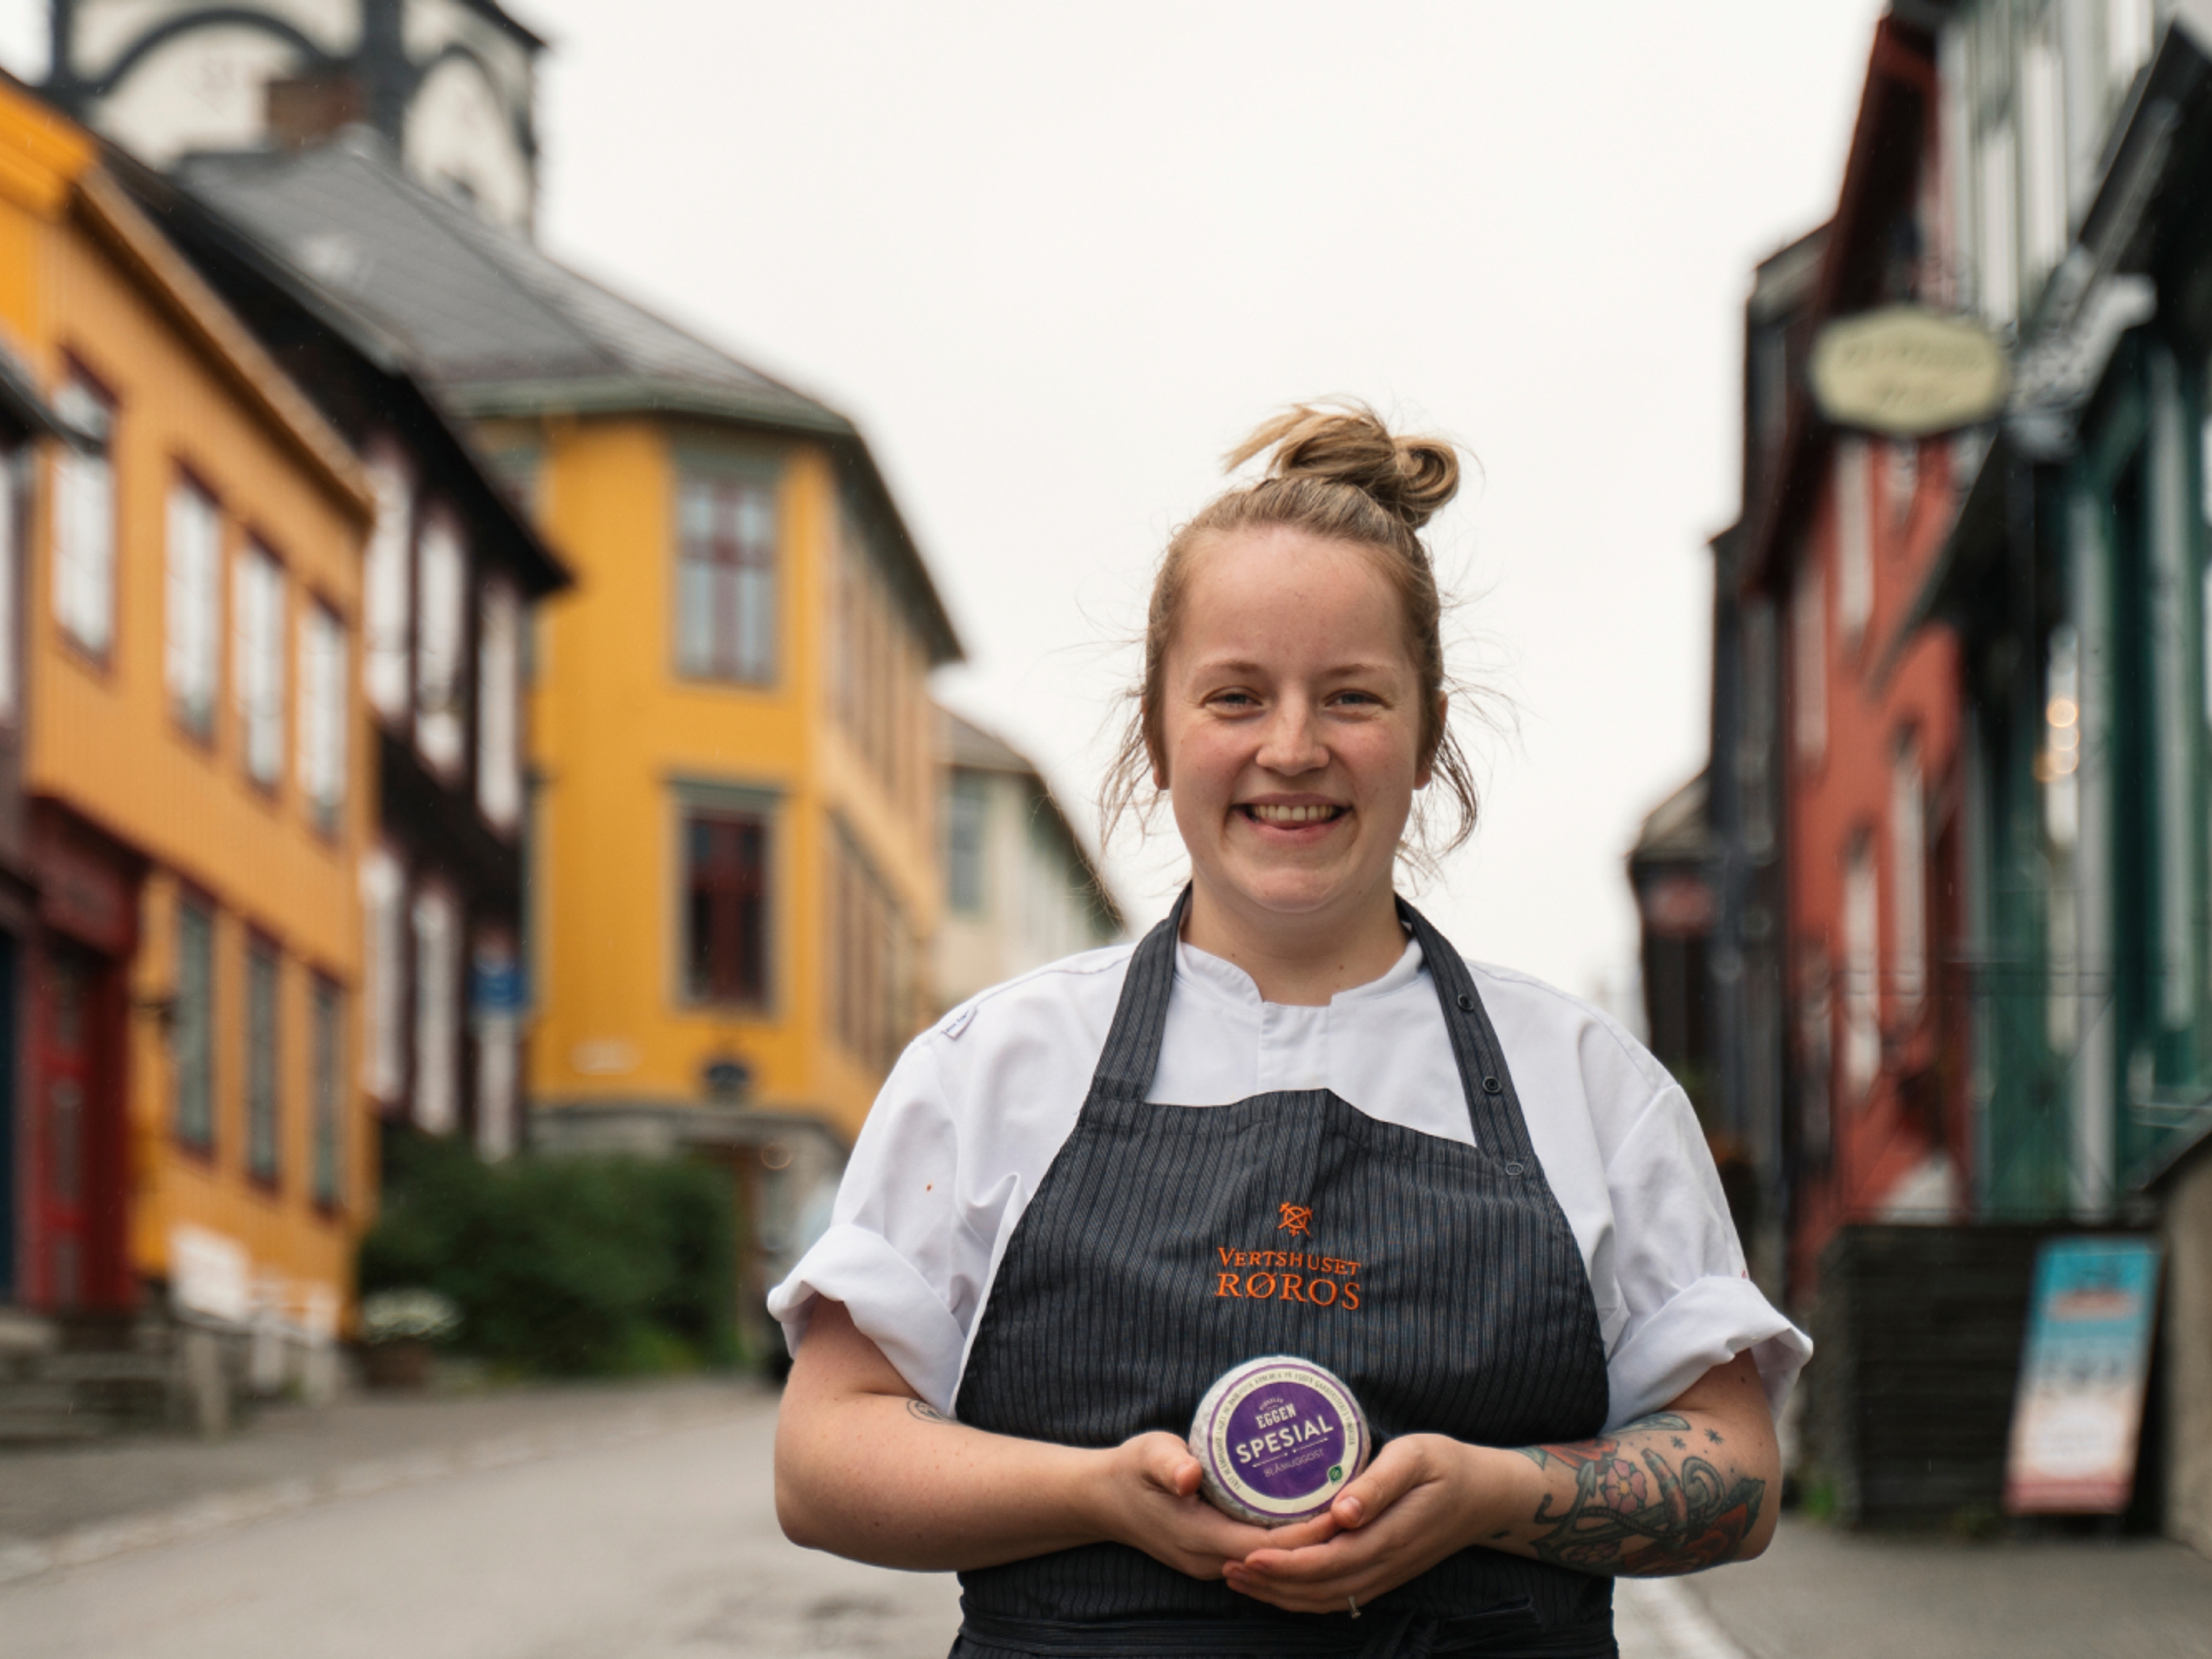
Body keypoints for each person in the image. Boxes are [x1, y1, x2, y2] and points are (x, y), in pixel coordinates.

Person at [771, 404, 1809, 1658]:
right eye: (1236, 696)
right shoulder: (995, 1068)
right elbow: (824, 1459)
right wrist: (1095, 1494)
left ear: (1428, 731)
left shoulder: (1589, 1087)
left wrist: (1502, 1494)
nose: (1293, 748)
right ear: (1157, 732)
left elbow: (1739, 1469)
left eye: (1352, 697)